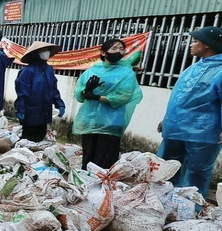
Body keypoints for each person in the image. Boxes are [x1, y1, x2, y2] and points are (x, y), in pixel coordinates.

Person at [157, 26, 222, 197]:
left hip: (204, 132)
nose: (191, 44)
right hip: (176, 128)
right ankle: (163, 202)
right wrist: (167, 120)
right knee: (166, 169)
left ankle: (190, 207)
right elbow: (179, 98)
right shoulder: (193, 68)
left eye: (195, 41)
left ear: (207, 45)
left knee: (197, 173)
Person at [73, 38, 143, 170]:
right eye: (114, 48)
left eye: (122, 49)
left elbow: (124, 96)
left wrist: (97, 97)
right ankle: (86, 183)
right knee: (88, 155)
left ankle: (103, 186)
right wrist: (86, 91)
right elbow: (79, 93)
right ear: (104, 52)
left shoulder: (127, 73)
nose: (119, 51)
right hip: (90, 120)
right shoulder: (91, 71)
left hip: (111, 122)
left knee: (105, 158)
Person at [14, 41, 65, 142]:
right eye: (43, 51)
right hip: (30, 113)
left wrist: (59, 104)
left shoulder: (49, 70)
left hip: (44, 113)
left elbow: (53, 89)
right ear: (35, 53)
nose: (46, 52)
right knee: (28, 141)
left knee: (40, 140)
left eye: (47, 50)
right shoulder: (27, 71)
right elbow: (22, 93)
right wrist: (20, 109)